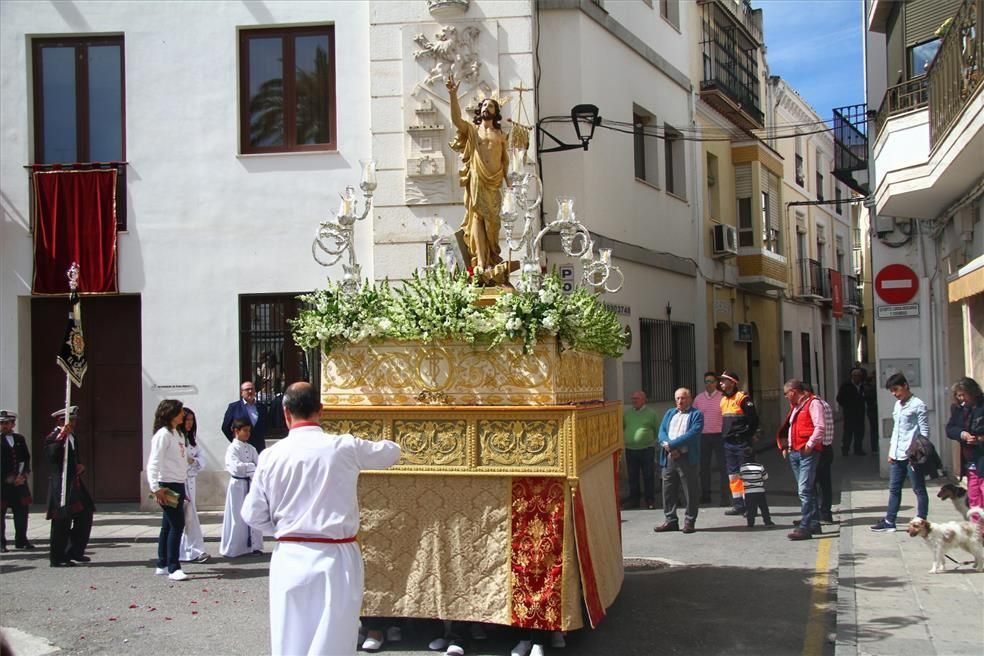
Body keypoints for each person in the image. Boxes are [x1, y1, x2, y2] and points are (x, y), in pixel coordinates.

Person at [241, 381, 401, 656]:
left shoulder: (270, 456)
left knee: (290, 638)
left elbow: (252, 514)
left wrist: (285, 529)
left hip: (290, 554)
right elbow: (392, 452)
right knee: (334, 640)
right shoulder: (343, 447)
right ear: (321, 410)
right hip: (335, 557)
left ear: (285, 412)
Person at [446, 73, 509, 276]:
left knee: (494, 223)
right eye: (483, 106)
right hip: (477, 179)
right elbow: (456, 120)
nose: (486, 108)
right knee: (478, 217)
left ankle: (490, 257)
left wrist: (512, 185)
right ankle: (481, 262)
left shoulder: (501, 135)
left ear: (496, 111)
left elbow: (505, 161)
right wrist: (453, 95)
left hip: (495, 183)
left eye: (490, 106)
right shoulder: (473, 131)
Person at [870, 373, 930, 532]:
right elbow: (896, 430)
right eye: (891, 391)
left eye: (896, 389)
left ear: (905, 386)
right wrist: (891, 452)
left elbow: (924, 431)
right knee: (894, 488)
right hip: (897, 454)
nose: (894, 394)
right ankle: (890, 521)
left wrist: (918, 452)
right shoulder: (898, 405)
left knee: (918, 488)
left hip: (912, 455)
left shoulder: (918, 405)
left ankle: (922, 520)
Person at [146, 399, 191, 581]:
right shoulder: (162, 435)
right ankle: (174, 567)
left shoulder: (177, 434)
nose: (183, 415)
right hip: (167, 485)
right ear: (171, 414)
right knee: (177, 525)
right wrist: (156, 488)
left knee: (167, 526)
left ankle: (162, 563)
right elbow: (153, 463)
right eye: (180, 412)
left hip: (178, 483)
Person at [45, 406, 95, 567]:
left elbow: (75, 458)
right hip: (61, 484)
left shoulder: (73, 436)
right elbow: (52, 455)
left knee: (85, 514)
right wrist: (62, 435)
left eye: (74, 420)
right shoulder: (54, 437)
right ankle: (58, 557)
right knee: (62, 521)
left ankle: (75, 551)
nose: (73, 423)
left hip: (75, 482)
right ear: (61, 421)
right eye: (70, 420)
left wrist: (80, 466)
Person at [777, 379, 826, 541]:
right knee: (807, 489)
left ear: (793, 391)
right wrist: (786, 447)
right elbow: (790, 429)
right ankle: (813, 522)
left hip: (806, 452)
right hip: (795, 452)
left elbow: (820, 427)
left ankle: (805, 527)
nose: (786, 397)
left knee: (804, 489)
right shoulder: (796, 407)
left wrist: (810, 445)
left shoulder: (813, 403)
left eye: (786, 394)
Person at [653, 388, 704, 534]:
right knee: (668, 489)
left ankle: (689, 521)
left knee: (690, 490)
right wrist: (669, 447)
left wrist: (673, 445)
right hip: (669, 457)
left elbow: (692, 434)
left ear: (690, 399)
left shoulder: (696, 414)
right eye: (678, 398)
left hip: (687, 457)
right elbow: (662, 432)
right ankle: (670, 520)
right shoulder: (670, 413)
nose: (680, 401)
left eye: (683, 398)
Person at [220, 419, 263, 558]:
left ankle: (255, 546)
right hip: (238, 486)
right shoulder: (232, 449)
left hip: (250, 485)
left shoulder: (251, 448)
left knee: (253, 513)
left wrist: (250, 468)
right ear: (236, 431)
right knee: (237, 516)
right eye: (245, 430)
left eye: (249, 431)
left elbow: (259, 466)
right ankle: (235, 548)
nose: (248, 434)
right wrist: (250, 467)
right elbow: (235, 467)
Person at [719, 371, 759, 517]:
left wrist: (746, 436)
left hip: (741, 443)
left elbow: (754, 420)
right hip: (728, 443)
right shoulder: (723, 400)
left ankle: (750, 506)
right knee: (733, 475)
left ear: (732, 382)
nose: (721, 383)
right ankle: (738, 504)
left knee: (746, 475)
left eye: (724, 380)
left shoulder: (743, 398)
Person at [945, 377, 984, 509]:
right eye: (958, 395)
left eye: (963, 394)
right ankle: (978, 528)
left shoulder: (981, 407)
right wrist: (962, 434)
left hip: (982, 456)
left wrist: (979, 439)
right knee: (974, 496)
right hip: (970, 460)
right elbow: (950, 429)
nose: (961, 398)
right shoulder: (958, 409)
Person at [179, 407, 210, 564]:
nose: (189, 423)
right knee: (184, 517)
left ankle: (192, 550)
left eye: (192, 420)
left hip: (191, 481)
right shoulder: (177, 439)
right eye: (187, 420)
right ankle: (190, 551)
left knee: (190, 516)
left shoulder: (192, 441)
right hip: (179, 481)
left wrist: (194, 461)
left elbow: (202, 460)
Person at [1, 410, 34, 552]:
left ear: (13, 424)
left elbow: (26, 458)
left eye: (6, 423)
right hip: (2, 485)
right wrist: (7, 478)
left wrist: (23, 475)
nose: (3, 426)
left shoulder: (19, 439)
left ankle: (21, 540)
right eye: (1, 423)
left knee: (21, 513)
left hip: (19, 483)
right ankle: (1, 543)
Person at [622, 390, 660, 510]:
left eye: (636, 399)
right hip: (630, 449)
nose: (634, 401)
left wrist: (650, 442)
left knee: (648, 475)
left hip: (646, 449)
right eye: (632, 399)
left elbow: (656, 430)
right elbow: (623, 427)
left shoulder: (651, 414)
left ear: (644, 400)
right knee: (633, 476)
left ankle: (650, 500)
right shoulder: (627, 414)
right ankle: (634, 499)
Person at [693, 372, 727, 506]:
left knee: (723, 467)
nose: (708, 384)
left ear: (716, 383)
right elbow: (695, 418)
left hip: (720, 435)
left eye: (711, 381)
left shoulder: (722, 397)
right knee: (704, 467)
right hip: (704, 436)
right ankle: (705, 494)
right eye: (706, 381)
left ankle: (725, 496)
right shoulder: (698, 399)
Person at [221, 381, 268, 455]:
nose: (250, 391)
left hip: (259, 448)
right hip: (241, 448)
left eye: (252, 389)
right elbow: (225, 427)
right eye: (247, 389)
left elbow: (267, 425)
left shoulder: (262, 408)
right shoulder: (234, 407)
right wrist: (236, 441)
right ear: (241, 393)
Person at [739, 447, 774, 528]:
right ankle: (767, 521)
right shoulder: (760, 466)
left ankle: (750, 523)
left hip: (748, 492)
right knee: (764, 507)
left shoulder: (742, 468)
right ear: (755, 456)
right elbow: (765, 477)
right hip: (760, 491)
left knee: (750, 508)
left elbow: (741, 478)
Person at [836, 368, 868, 456]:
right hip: (849, 412)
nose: (857, 378)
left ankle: (858, 449)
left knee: (860, 432)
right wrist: (847, 406)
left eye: (859, 376)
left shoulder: (863, 386)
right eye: (855, 376)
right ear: (852, 376)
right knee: (848, 431)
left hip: (860, 412)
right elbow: (839, 398)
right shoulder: (846, 385)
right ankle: (845, 448)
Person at [863, 369, 880, 453]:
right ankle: (874, 448)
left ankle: (875, 447)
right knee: (874, 429)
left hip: (872, 409)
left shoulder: (870, 385)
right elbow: (867, 396)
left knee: (874, 429)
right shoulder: (868, 385)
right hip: (872, 410)